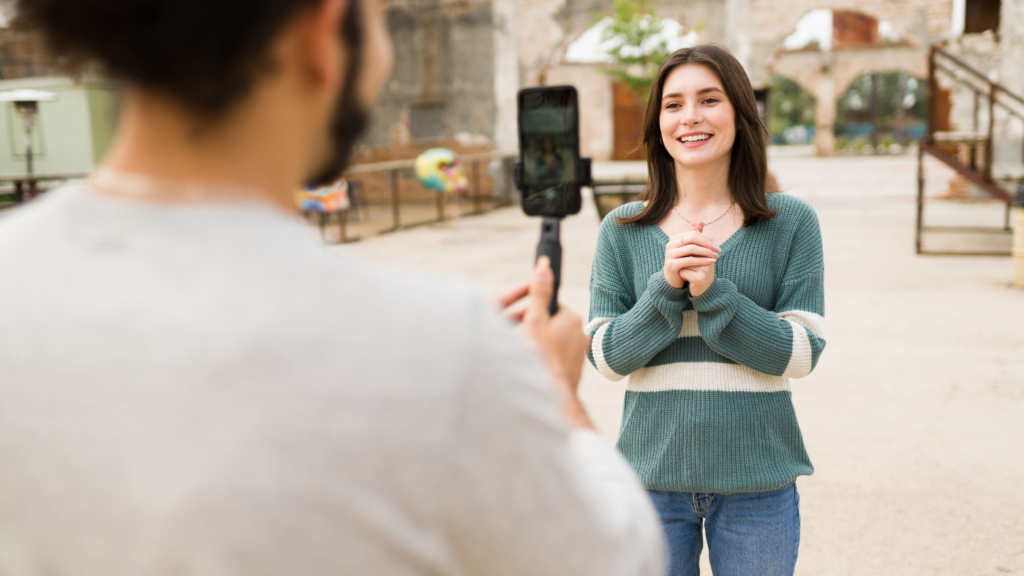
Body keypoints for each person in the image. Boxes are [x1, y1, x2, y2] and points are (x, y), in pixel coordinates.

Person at [0, 0, 665, 574]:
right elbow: (618, 561)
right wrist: (554, 397)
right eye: (377, 22)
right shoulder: (444, 356)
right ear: (323, 31)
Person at [586, 44, 826, 576]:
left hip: (758, 485)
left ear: (741, 113)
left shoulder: (790, 221)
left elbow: (804, 353)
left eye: (709, 99)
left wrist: (716, 293)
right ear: (658, 125)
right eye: (673, 105)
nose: (690, 116)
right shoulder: (623, 230)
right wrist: (664, 290)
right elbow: (603, 357)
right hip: (650, 484)